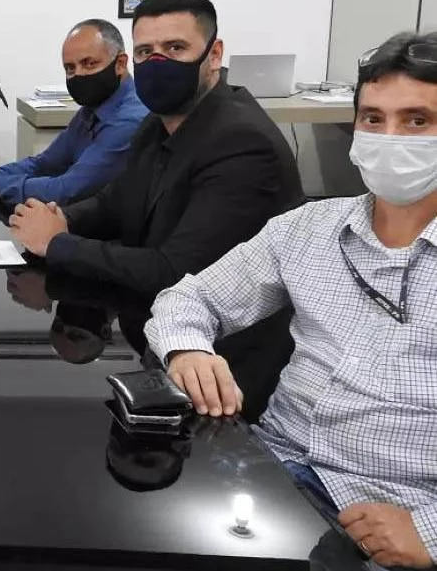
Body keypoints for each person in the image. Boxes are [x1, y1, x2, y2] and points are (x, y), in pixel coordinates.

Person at [145, 31, 437, 570]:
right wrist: (187, 349)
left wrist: (433, 535)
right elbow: (188, 297)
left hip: (391, 512)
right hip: (268, 475)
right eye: (373, 119)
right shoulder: (307, 230)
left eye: (417, 121)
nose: (390, 138)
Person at [9, 0, 303, 296]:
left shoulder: (243, 145)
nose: (158, 62)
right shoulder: (158, 122)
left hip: (218, 323)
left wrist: (57, 244)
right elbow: (115, 203)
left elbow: (176, 272)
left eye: (175, 48)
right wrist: (61, 219)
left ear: (214, 55)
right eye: (145, 51)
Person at [0, 19, 147, 205]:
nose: (79, 75)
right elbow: (45, 164)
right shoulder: (94, 107)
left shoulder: (129, 121)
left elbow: (65, 191)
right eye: (70, 68)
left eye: (89, 64)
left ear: (120, 64)